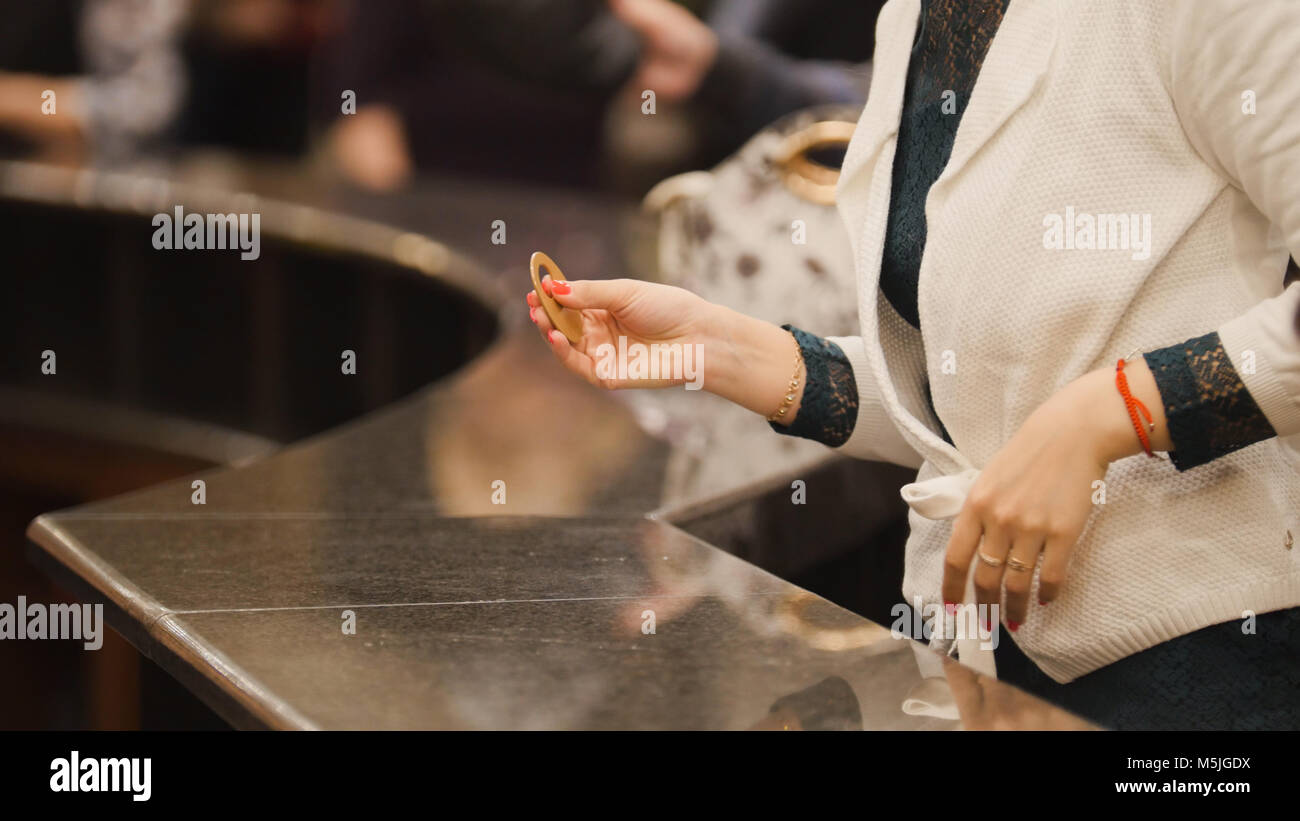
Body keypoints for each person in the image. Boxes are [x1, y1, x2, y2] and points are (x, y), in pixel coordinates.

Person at [527, 0, 1300, 730]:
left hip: (1210, 665)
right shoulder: (914, 16)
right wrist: (727, 348)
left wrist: (1111, 413)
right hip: (997, 648)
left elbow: (1071, 407)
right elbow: (974, 393)